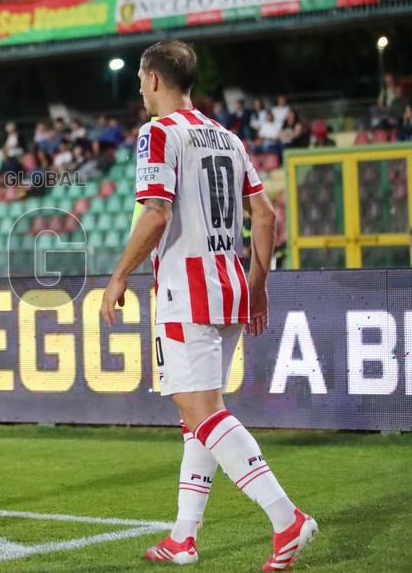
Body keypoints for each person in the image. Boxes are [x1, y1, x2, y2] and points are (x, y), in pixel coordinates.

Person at [101, 40, 317, 570]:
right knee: (198, 416)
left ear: (153, 79)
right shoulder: (227, 137)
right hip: (231, 287)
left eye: (140, 80)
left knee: (203, 411)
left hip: (185, 293)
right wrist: (259, 284)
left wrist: (118, 275)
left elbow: (154, 214)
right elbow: (265, 216)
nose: (140, 89)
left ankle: (286, 518)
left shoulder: (158, 134)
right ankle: (183, 537)